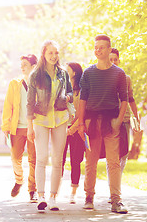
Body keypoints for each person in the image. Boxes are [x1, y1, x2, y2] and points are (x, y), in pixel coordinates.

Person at [78, 35, 128, 214]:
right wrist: (81, 123)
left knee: (113, 162)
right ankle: (88, 197)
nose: (97, 50)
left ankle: (116, 201)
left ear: (109, 49)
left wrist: (118, 120)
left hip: (111, 121)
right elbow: (82, 100)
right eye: (95, 47)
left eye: (101, 47)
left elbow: (124, 99)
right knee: (90, 162)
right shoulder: (88, 73)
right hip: (91, 122)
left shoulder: (119, 73)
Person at [26, 40, 73, 212]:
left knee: (58, 159)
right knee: (42, 157)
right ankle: (41, 196)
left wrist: (68, 97)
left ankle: (53, 197)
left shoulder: (63, 73)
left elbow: (70, 92)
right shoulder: (36, 74)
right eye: (50, 53)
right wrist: (30, 126)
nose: (54, 56)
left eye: (56, 53)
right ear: (43, 55)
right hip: (41, 119)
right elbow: (30, 102)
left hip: (60, 118)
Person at [1, 54, 38, 203]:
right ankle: (19, 180)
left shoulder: (39, 84)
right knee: (15, 157)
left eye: (25, 64)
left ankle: (32, 189)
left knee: (33, 160)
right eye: (21, 64)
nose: (22, 66)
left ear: (33, 66)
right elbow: (7, 105)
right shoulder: (14, 84)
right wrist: (6, 125)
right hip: (17, 128)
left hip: (34, 128)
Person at [106, 47, 140, 203]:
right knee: (112, 157)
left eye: (115, 59)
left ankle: (115, 186)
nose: (113, 62)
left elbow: (131, 98)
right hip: (110, 120)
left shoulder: (126, 78)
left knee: (123, 155)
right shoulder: (103, 77)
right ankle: (114, 190)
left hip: (125, 120)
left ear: (119, 60)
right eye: (110, 59)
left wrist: (136, 118)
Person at [61, 62, 85, 204]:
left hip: (76, 130)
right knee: (60, 160)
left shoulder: (82, 91)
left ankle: (73, 192)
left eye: (67, 69)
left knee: (76, 161)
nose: (64, 70)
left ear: (74, 73)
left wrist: (72, 129)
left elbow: (83, 112)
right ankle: (55, 190)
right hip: (62, 129)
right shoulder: (63, 88)